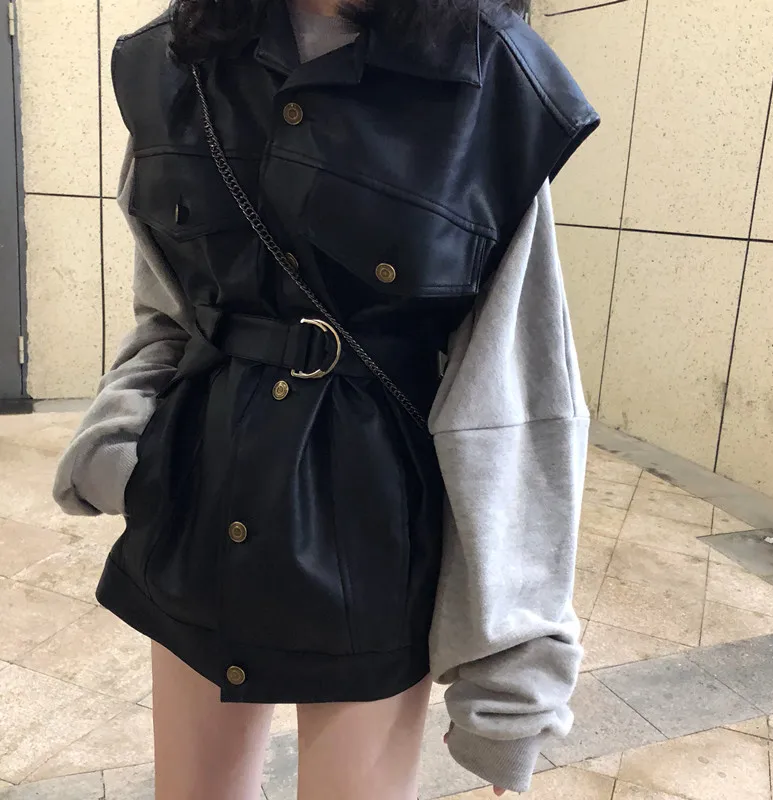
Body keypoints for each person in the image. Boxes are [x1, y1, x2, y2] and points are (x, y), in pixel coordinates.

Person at [54, 0, 598, 797]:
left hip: (373, 530)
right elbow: (169, 303)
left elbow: (514, 393)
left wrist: (514, 672)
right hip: (198, 496)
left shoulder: (491, 76)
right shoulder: (171, 56)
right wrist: (120, 440)